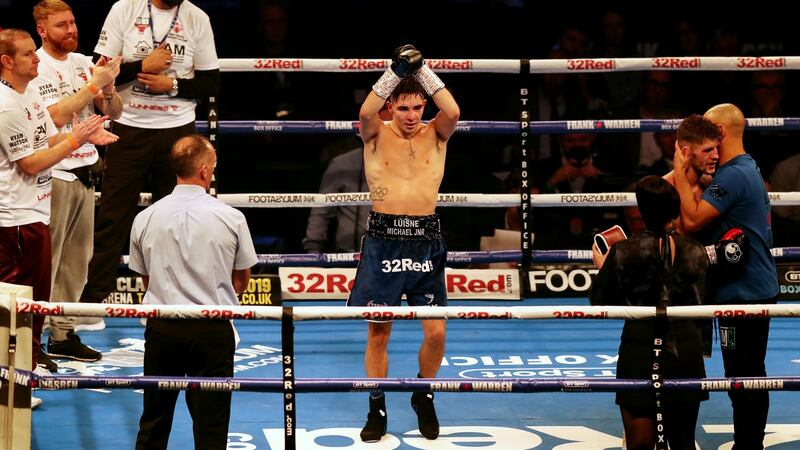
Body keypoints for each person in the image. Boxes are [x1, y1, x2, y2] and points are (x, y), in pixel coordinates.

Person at [349, 45, 459, 442]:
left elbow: (453, 111)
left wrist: (422, 70)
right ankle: (376, 405)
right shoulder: (375, 133)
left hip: (426, 242)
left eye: (416, 108)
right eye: (403, 109)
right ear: (390, 108)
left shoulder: (437, 134)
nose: (411, 116)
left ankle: (423, 393)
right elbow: (365, 112)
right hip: (384, 241)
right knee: (379, 333)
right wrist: (395, 72)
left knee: (437, 334)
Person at [0, 28, 116, 397]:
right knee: (16, 305)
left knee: (34, 301)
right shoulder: (6, 105)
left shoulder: (30, 93)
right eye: (27, 55)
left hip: (35, 212)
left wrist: (82, 134)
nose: (36, 59)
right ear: (6, 62)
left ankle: (28, 369)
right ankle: (11, 382)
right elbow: (32, 163)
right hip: (15, 220)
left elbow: (46, 140)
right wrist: (75, 140)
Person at [81, 0, 220, 304]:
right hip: (128, 127)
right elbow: (99, 71)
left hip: (177, 131)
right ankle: (92, 303)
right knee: (112, 217)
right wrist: (143, 66)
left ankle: (172, 303)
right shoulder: (124, 9)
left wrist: (172, 85)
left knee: (177, 222)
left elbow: (212, 83)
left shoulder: (197, 17)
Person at [128, 134, 257, 449]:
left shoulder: (145, 217)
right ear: (204, 170)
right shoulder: (231, 217)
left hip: (162, 327)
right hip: (211, 328)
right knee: (211, 427)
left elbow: (146, 280)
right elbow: (241, 280)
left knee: (153, 422)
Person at [674, 103, 779, 450]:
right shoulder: (742, 168)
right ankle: (748, 442)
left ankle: (749, 445)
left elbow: (691, 221)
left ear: (719, 132)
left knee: (745, 374)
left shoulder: (733, 175)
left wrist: (680, 168)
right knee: (744, 372)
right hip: (748, 286)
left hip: (745, 291)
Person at [32, 0, 124, 367]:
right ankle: (33, 338)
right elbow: (53, 117)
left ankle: (62, 334)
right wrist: (93, 85)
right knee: (48, 263)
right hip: (54, 174)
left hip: (86, 172)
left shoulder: (84, 62)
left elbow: (115, 112)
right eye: (61, 25)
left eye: (72, 23)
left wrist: (108, 89)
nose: (71, 30)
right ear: (42, 29)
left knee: (77, 262)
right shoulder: (36, 66)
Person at [590, 175, 709, 450]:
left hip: (640, 343)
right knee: (683, 441)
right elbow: (705, 301)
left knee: (640, 443)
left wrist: (605, 268)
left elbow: (600, 300)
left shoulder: (624, 251)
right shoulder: (696, 250)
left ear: (641, 211)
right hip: (684, 346)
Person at [663, 114, 722, 234]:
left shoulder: (710, 182)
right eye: (707, 150)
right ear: (686, 152)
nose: (716, 156)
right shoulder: (663, 189)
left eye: (716, 148)